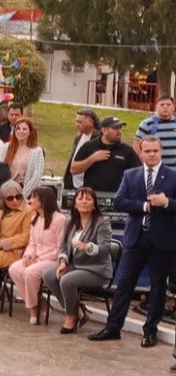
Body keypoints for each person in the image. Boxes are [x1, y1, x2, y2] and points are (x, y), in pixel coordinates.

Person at [89, 137, 176, 347]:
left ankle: (150, 331)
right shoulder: (131, 175)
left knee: (157, 287)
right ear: (141, 152)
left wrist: (167, 203)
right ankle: (113, 327)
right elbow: (120, 202)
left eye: (155, 150)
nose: (152, 154)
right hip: (135, 238)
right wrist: (144, 206)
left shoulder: (173, 176)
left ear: (161, 151)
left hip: (161, 240)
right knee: (124, 283)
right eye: (147, 151)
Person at [46, 186, 115, 334]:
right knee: (49, 275)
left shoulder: (102, 223)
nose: (84, 202)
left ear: (94, 204)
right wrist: (63, 262)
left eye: (88, 199)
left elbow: (105, 249)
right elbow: (63, 246)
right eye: (80, 198)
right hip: (75, 265)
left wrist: (88, 247)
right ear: (75, 203)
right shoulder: (69, 221)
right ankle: (78, 311)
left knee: (66, 280)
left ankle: (71, 317)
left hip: (96, 270)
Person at [7, 185, 65, 324]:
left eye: (34, 197)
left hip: (53, 260)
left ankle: (33, 310)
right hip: (37, 258)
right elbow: (32, 243)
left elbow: (61, 247)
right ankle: (40, 304)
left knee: (30, 273)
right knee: (14, 269)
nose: (30, 201)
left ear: (43, 200)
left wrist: (40, 258)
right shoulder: (35, 219)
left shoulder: (60, 219)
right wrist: (29, 255)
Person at [0, 181, 31, 304]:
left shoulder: (28, 211)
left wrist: (3, 243)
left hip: (13, 250)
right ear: (3, 199)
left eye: (18, 197)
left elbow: (26, 237)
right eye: (10, 198)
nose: (15, 201)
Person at [71, 116, 138, 194]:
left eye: (120, 128)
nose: (119, 131)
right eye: (115, 128)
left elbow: (138, 173)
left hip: (117, 197)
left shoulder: (127, 150)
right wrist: (93, 158)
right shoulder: (89, 146)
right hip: (92, 197)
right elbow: (74, 169)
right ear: (104, 130)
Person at [0, 119, 44, 194]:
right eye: (18, 128)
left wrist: (22, 195)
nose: (21, 131)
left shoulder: (36, 151)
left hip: (24, 191)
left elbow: (36, 177)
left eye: (24, 129)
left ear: (30, 132)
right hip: (6, 190)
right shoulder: (6, 147)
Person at [135, 95, 176, 167]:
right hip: (155, 171)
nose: (165, 107)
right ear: (157, 107)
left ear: (173, 107)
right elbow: (136, 145)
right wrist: (144, 164)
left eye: (168, 104)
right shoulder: (147, 124)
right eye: (162, 105)